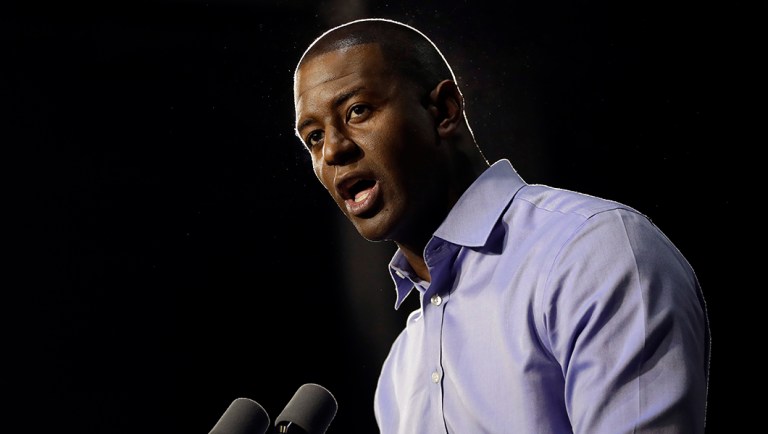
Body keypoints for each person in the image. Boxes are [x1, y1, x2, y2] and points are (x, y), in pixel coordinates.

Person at [291, 17, 710, 433]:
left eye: (357, 111)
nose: (333, 150)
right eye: (313, 137)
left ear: (444, 110)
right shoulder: (400, 372)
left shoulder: (590, 253)